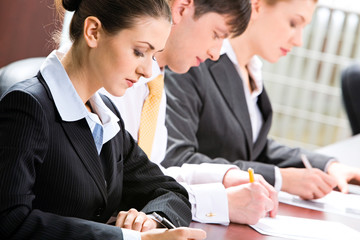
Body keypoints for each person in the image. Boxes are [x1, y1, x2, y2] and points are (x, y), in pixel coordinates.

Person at [0, 0, 207, 239]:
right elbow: (10, 220)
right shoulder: (26, 107)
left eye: (153, 55)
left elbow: (171, 192)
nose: (147, 71)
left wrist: (150, 221)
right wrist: (132, 238)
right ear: (93, 32)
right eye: (139, 51)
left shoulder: (103, 113)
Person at [103, 0, 278, 226]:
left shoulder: (156, 83)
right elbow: (124, 189)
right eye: (216, 34)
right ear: (182, 8)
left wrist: (223, 177)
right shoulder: (119, 78)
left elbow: (154, 174)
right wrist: (218, 202)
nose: (216, 54)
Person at [164, 0, 360, 201]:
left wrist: (327, 165)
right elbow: (176, 158)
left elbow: (254, 145)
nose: (299, 40)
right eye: (293, 23)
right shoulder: (191, 60)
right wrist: (278, 178)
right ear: (257, 6)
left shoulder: (249, 70)